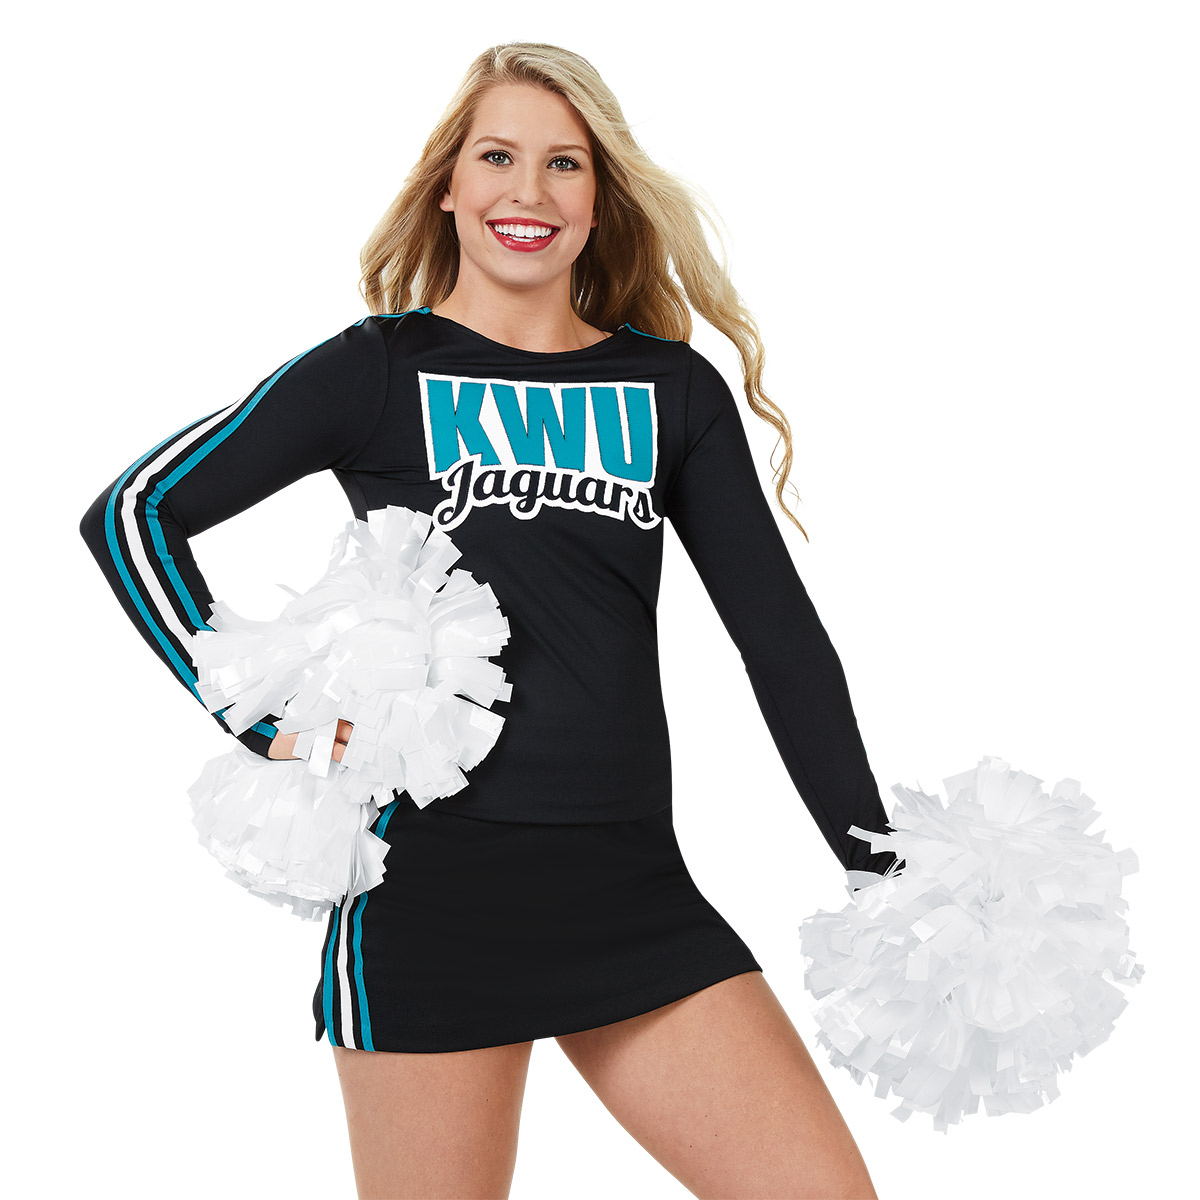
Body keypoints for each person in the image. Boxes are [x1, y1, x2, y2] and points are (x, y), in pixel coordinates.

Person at [78, 41, 897, 1200]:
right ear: (449, 188)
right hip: (430, 900)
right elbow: (133, 514)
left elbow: (781, 642)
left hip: (632, 892)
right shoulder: (376, 370)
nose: (531, 191)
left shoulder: (670, 390)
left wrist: (879, 867)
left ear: (601, 200)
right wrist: (267, 723)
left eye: (566, 164)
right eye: (498, 157)